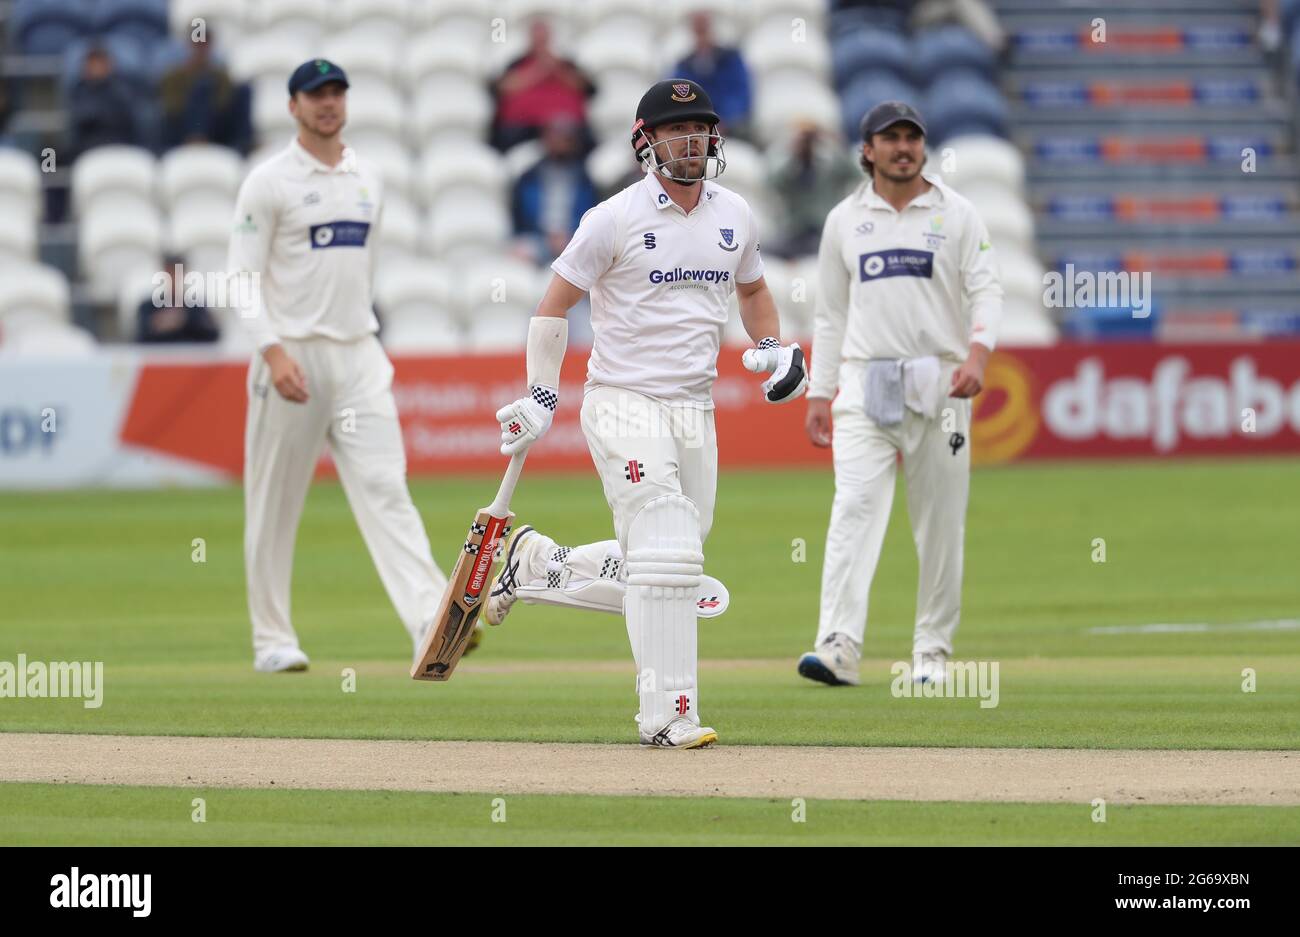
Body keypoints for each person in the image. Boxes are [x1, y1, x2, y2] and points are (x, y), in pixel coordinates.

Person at [483, 79, 808, 748]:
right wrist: (544, 392)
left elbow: (754, 291)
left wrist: (772, 349)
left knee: (674, 561)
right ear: (647, 141)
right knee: (665, 544)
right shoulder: (613, 218)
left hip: (695, 405)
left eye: (700, 129)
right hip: (623, 399)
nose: (690, 140)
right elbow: (552, 306)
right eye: (674, 130)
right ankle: (666, 713)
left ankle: (541, 565)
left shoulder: (735, 216)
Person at [227, 59, 450, 673]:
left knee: (387, 488)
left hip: (358, 355)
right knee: (274, 505)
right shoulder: (267, 182)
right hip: (291, 357)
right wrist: (272, 350)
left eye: (336, 93)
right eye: (314, 95)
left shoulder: (367, 178)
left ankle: (430, 621)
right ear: (293, 106)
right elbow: (241, 280)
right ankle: (272, 641)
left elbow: (363, 271)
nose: (328, 103)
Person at [797, 101, 1003, 688]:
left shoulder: (958, 214)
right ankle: (837, 644)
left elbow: (987, 291)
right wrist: (820, 391)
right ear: (868, 150)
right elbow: (831, 314)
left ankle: (932, 654)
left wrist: (979, 353)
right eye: (890, 138)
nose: (903, 146)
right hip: (865, 382)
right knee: (853, 509)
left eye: (912, 136)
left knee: (939, 523)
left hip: (941, 381)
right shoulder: (844, 220)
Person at [490, 18, 595, 151]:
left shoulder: (565, 64)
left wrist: (557, 69)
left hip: (565, 125)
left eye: (543, 38)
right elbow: (501, 88)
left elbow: (587, 87)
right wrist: (539, 70)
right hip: (523, 126)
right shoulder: (517, 63)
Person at [510, 115, 597, 264]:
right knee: (521, 252)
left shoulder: (585, 179)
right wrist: (547, 236)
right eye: (555, 135)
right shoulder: (529, 177)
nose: (559, 142)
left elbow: (590, 214)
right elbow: (520, 217)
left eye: (565, 137)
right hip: (536, 238)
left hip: (573, 238)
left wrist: (569, 234)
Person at [767, 120, 860, 258]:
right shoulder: (790, 170)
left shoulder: (831, 168)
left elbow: (853, 173)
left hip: (825, 231)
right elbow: (772, 181)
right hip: (794, 233)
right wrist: (793, 152)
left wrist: (832, 142)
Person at [671, 12, 752, 137]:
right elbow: (678, 98)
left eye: (704, 29)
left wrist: (723, 121)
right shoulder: (684, 65)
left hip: (731, 128)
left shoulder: (731, 59)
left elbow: (740, 94)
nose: (702, 36)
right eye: (698, 31)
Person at [67, 45, 140, 160]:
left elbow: (124, 119)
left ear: (109, 65)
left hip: (119, 145)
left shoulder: (121, 89)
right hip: (86, 147)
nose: (95, 68)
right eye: (92, 64)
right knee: (49, 154)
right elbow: (80, 118)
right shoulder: (79, 89)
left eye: (99, 64)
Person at [137, 256, 220, 343]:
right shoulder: (147, 307)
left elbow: (212, 335)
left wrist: (185, 319)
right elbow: (139, 338)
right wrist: (156, 325)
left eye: (177, 274)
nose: (173, 278)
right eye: (169, 273)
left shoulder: (196, 306)